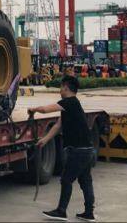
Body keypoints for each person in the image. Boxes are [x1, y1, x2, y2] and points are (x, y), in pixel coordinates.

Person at [29, 75, 96, 222]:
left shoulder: (70, 102)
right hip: (87, 150)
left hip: (79, 151)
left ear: (66, 87)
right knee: (85, 181)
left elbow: (46, 110)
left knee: (66, 180)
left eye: (61, 87)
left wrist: (33, 109)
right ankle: (89, 213)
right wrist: (45, 140)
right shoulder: (73, 105)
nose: (60, 90)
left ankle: (61, 211)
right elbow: (59, 125)